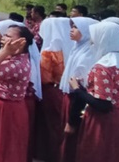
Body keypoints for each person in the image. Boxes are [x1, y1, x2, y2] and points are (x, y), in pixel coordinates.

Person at [69, 21, 119, 162]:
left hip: (104, 122)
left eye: (94, 40)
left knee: (100, 154)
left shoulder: (103, 67)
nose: (92, 44)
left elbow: (103, 104)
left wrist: (77, 89)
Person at [0, 24, 34, 162]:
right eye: (4, 35)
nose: (3, 38)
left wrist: (4, 52)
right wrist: (6, 51)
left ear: (21, 42)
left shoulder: (17, 65)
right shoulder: (14, 57)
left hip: (6, 109)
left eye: (8, 36)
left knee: (3, 146)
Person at [59, 16, 99, 162]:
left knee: (73, 138)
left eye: (76, 27)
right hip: (70, 97)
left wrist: (72, 120)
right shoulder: (78, 48)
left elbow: (80, 88)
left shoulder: (88, 54)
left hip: (77, 100)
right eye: (72, 26)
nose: (71, 30)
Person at [36, 16, 72, 162]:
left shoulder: (49, 52)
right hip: (66, 92)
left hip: (50, 91)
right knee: (61, 124)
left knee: (50, 126)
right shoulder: (73, 48)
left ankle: (50, 155)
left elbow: (44, 78)